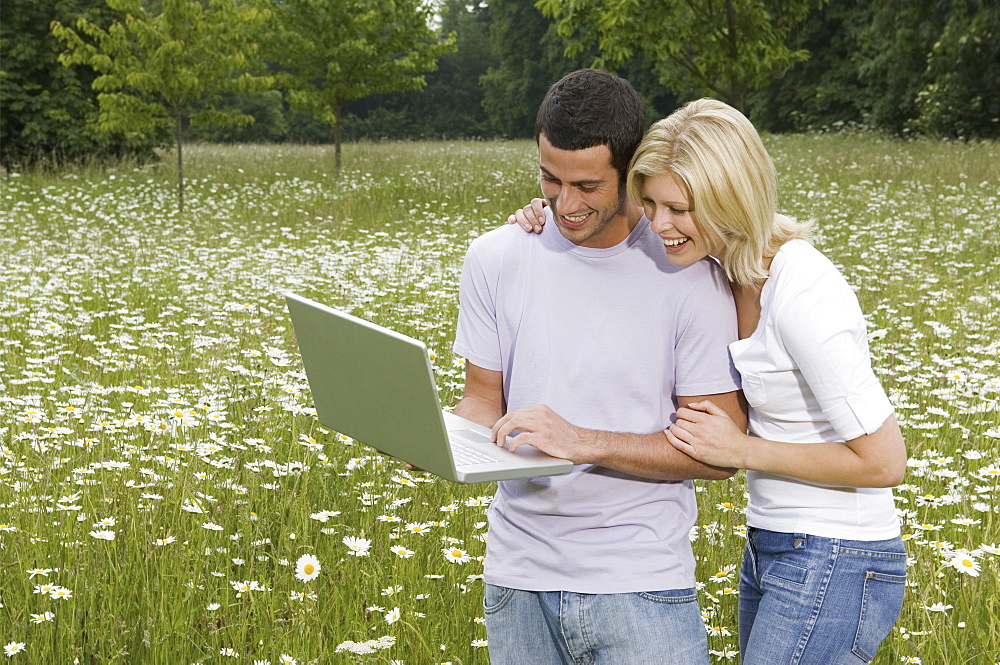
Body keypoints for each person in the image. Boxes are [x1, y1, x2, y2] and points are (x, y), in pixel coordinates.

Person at [510, 98, 908, 664]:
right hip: (774, 543)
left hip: (839, 552)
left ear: (731, 200)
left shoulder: (803, 290)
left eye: (679, 208)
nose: (659, 224)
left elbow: (885, 462)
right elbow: (600, 220)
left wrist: (743, 450)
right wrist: (547, 215)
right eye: (649, 202)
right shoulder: (721, 265)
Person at [452, 70, 745, 665]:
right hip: (517, 579)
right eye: (550, 179)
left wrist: (580, 441)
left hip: (638, 586)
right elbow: (482, 402)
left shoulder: (688, 270)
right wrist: (431, 438)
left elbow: (721, 453)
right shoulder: (496, 256)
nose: (566, 203)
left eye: (586, 185)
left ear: (631, 170)